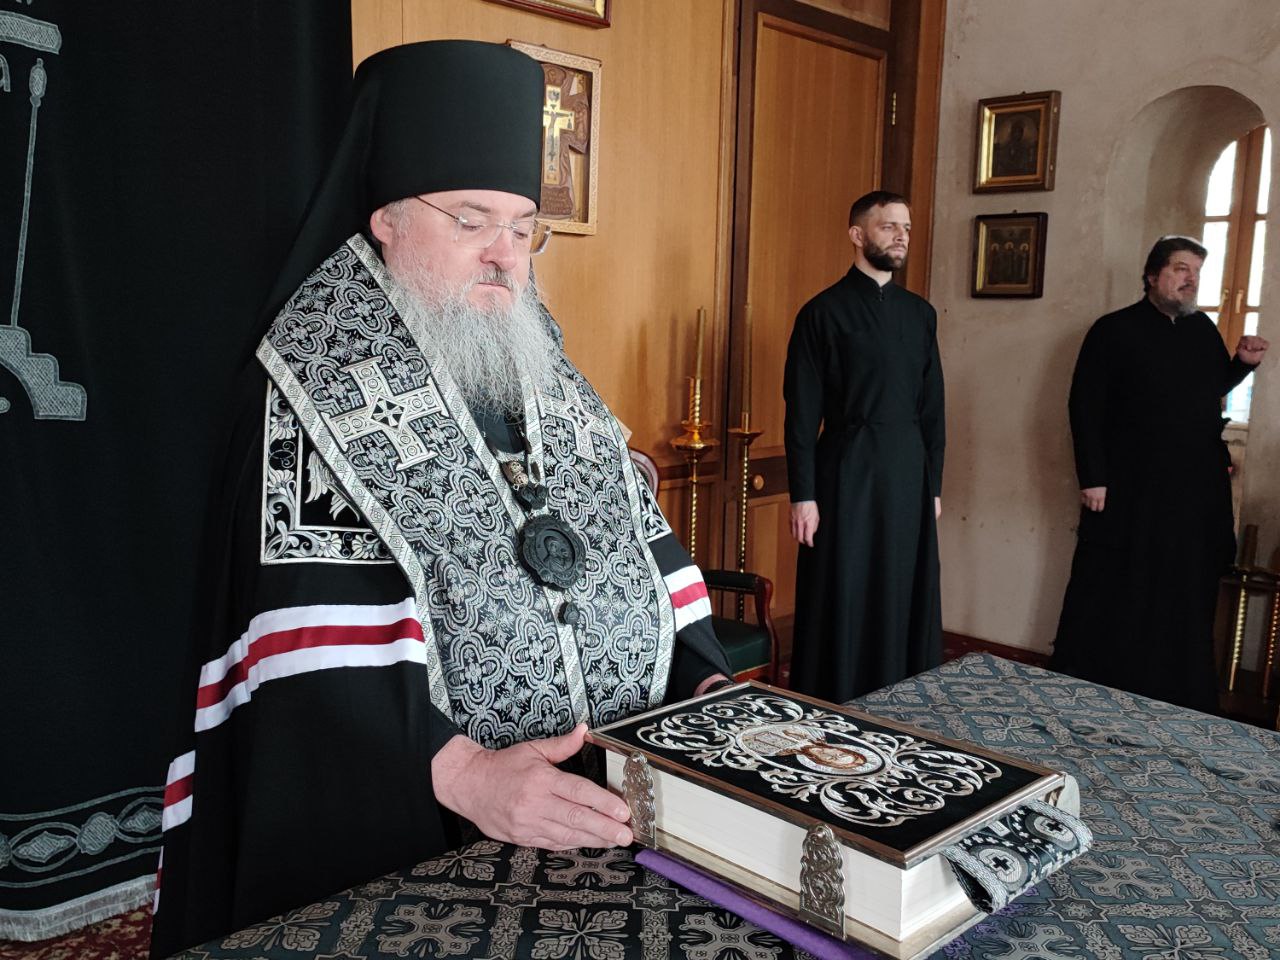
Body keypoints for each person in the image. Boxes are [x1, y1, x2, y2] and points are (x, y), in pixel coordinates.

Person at [150, 41, 730, 957]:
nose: (505, 255)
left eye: (524, 228)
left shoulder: (541, 362)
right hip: (421, 833)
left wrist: (704, 684)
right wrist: (463, 774)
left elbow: (645, 548)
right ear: (385, 218)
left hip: (605, 802)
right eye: (471, 220)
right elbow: (303, 638)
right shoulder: (311, 383)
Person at [1051, 236, 1267, 711]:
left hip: (1190, 490)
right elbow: (1084, 407)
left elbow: (1209, 387)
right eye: (1181, 269)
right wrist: (1092, 477)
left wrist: (1242, 365)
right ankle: (1103, 685)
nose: (1191, 280)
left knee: (1182, 587)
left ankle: (1172, 692)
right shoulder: (1113, 330)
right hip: (1129, 486)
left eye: (1197, 272)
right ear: (1152, 275)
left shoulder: (1201, 329)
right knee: (1124, 582)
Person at [783, 190, 945, 703]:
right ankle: (838, 698)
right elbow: (801, 413)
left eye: (907, 228)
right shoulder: (821, 313)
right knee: (846, 585)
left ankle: (902, 699)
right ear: (857, 235)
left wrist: (934, 487)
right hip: (845, 472)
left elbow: (933, 408)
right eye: (889, 226)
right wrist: (803, 495)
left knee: (903, 585)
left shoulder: (921, 314)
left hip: (908, 474)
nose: (901, 236)